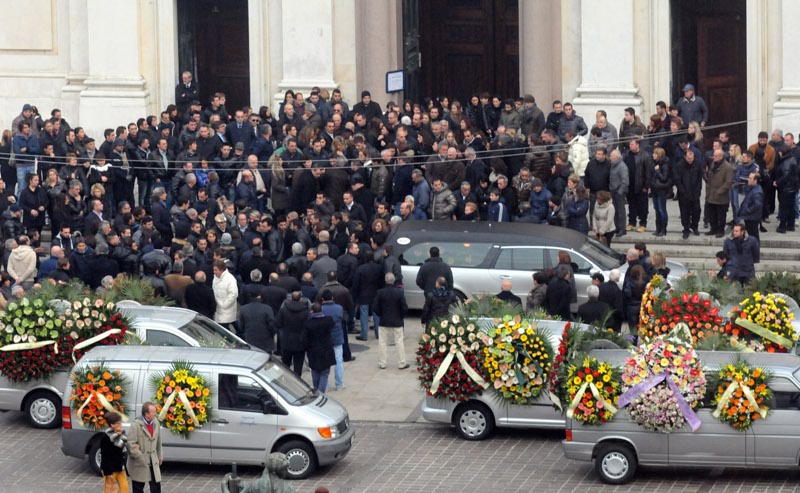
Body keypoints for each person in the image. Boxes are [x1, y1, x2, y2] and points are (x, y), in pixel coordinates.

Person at [372, 273, 409, 370]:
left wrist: (381, 314)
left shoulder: (380, 292)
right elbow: (404, 308)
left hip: (384, 321)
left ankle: (382, 363)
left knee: (382, 342)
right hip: (397, 321)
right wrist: (401, 316)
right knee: (399, 342)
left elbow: (375, 307)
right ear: (394, 281)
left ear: (385, 280)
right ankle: (401, 363)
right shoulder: (399, 292)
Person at [127, 401, 163, 493]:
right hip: (139, 462)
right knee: (138, 487)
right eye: (153, 412)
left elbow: (158, 441)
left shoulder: (156, 423)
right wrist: (140, 456)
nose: (155, 413)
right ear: (146, 414)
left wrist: (160, 455)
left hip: (153, 460)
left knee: (156, 487)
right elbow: (130, 444)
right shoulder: (135, 426)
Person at [303, 302, 336, 392]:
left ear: (312, 311)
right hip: (326, 350)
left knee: (315, 372)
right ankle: (320, 393)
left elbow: (305, 340)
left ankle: (317, 391)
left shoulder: (308, 324)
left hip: (313, 351)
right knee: (325, 374)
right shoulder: (328, 320)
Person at [275, 291, 309, 376]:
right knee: (298, 367)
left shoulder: (284, 310)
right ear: (300, 298)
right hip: (300, 342)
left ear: (291, 298)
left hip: (286, 341)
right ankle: (297, 384)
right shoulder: (305, 311)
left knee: (285, 366)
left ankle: (286, 382)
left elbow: (277, 323)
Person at [704, 149, 734, 238]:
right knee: (712, 214)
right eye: (714, 155)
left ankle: (720, 230)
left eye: (716, 156)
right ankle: (713, 229)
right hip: (711, 194)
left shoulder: (728, 167)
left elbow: (728, 182)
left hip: (721, 196)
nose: (714, 157)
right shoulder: (713, 164)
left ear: (721, 156)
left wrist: (720, 191)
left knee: (721, 215)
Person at [674, 150, 704, 239]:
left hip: (695, 193)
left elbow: (699, 178)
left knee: (697, 210)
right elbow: (677, 180)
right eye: (689, 158)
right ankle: (686, 228)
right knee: (684, 213)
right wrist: (683, 191)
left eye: (692, 158)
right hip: (684, 194)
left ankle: (694, 226)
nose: (691, 160)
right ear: (685, 157)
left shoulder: (697, 164)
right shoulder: (679, 165)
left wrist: (698, 191)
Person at [320, 289, 346, 390]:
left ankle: (325, 386)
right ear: (332, 298)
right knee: (338, 360)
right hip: (337, 337)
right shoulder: (339, 308)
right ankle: (339, 384)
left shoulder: (321, 309)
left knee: (324, 363)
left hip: (324, 339)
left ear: (322, 299)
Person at [100, 410, 130, 493]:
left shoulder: (122, 435)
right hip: (110, 469)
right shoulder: (106, 438)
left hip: (120, 467)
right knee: (110, 490)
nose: (121, 425)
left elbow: (123, 450)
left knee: (125, 488)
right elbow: (104, 457)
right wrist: (108, 474)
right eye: (118, 423)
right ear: (112, 425)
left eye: (121, 423)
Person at [212, 259, 239, 332]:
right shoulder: (216, 277)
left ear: (221, 270)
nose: (214, 272)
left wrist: (224, 305)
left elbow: (233, 294)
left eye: (216, 270)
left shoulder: (230, 279)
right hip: (219, 309)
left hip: (226, 309)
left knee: (224, 330)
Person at [737, 172, 764, 242]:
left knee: (753, 237)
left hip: (752, 218)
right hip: (750, 217)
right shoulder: (752, 188)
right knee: (751, 236)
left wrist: (746, 211)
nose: (748, 180)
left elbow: (757, 205)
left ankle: (755, 251)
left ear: (755, 181)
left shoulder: (757, 192)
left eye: (750, 178)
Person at [623, 264, 647, 339]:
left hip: (632, 307)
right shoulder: (644, 282)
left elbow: (628, 294)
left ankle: (634, 341)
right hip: (642, 306)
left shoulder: (629, 282)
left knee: (633, 327)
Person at [608, 149, 629, 237]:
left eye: (611, 156)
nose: (610, 158)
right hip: (613, 191)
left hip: (619, 192)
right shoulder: (614, 165)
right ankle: (617, 227)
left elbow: (625, 182)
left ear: (616, 157)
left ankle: (622, 229)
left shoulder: (622, 167)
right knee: (615, 211)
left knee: (621, 211)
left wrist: (620, 192)